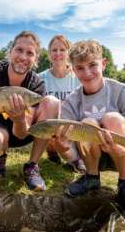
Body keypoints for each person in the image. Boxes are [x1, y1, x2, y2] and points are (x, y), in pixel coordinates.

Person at [52, 40, 125, 215]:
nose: (87, 72)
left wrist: (124, 150)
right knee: (88, 123)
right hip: (89, 158)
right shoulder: (70, 102)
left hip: (123, 154)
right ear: (73, 70)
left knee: (112, 118)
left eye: (92, 65)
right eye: (80, 68)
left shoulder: (124, 92)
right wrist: (63, 149)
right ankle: (91, 178)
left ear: (103, 64)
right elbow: (72, 155)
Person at [0, 31, 60, 191]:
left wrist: (19, 119)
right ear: (10, 51)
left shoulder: (36, 83)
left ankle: (32, 166)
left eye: (30, 53)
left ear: (35, 59)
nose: (23, 57)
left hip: (23, 129)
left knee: (52, 102)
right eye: (19, 50)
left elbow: (21, 134)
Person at [38, 35, 84, 171]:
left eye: (62, 50)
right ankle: (51, 150)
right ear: (49, 53)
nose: (58, 53)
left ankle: (78, 156)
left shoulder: (78, 77)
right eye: (54, 50)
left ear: (68, 53)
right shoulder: (40, 78)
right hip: (51, 123)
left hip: (73, 123)